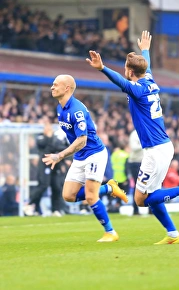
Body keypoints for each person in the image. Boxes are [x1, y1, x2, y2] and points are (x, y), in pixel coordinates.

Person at [86, 30, 179, 245]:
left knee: (141, 200)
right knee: (152, 194)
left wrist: (102, 68)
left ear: (130, 72)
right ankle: (173, 235)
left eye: (126, 69)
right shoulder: (148, 79)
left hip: (155, 150)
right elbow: (147, 67)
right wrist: (145, 51)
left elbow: (122, 84)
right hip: (161, 147)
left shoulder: (138, 89)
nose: (124, 72)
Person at [42, 74, 128, 242]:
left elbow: (82, 140)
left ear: (67, 88)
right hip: (80, 156)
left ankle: (110, 232)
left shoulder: (77, 110)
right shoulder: (60, 108)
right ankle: (109, 188)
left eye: (55, 84)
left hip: (94, 154)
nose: (52, 87)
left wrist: (60, 155)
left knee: (90, 196)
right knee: (68, 196)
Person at [24, 121, 70, 217]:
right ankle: (30, 204)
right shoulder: (41, 137)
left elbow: (61, 147)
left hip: (55, 165)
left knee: (56, 186)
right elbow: (45, 145)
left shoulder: (55, 138)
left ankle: (55, 209)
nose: (49, 130)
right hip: (45, 164)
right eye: (47, 128)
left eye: (50, 128)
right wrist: (49, 137)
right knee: (43, 185)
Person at [128, 129, 143, 215]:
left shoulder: (145, 131)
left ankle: (151, 209)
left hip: (144, 161)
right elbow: (133, 147)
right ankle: (135, 209)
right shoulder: (134, 134)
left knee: (148, 185)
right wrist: (145, 143)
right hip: (135, 162)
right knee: (138, 186)